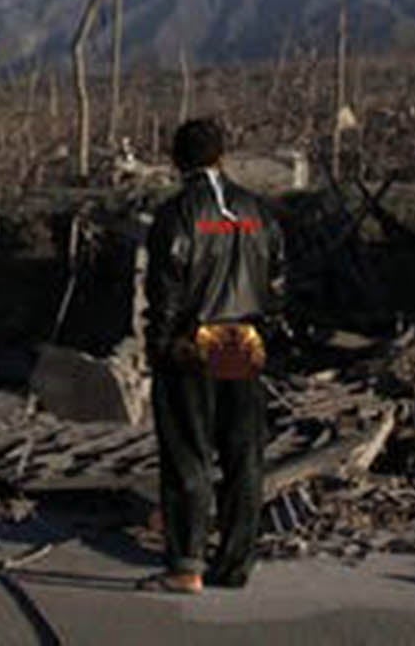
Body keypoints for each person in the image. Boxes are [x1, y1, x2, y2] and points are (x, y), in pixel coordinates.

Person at [142, 116, 286, 594]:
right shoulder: (255, 211)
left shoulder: (178, 215)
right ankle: (236, 562)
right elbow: (277, 278)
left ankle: (187, 563)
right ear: (222, 156)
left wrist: (160, 344)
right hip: (241, 338)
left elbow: (164, 289)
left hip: (191, 340)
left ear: (176, 160)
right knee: (243, 454)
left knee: (189, 451)